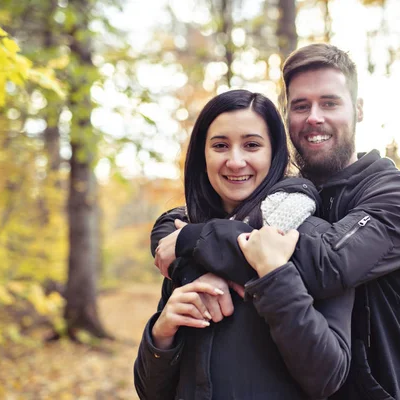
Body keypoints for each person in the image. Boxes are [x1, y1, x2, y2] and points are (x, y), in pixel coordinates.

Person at [153, 44, 400, 399]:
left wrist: (198, 243)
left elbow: (330, 262)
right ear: (287, 116)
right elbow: (178, 222)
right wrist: (189, 258)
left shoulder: (395, 192)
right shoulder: (282, 198)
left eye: (330, 102)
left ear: (358, 110)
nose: (314, 117)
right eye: (301, 105)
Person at [134, 89, 354, 400]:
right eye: (220, 145)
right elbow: (150, 392)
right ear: (203, 155)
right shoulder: (188, 244)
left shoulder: (314, 239)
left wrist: (272, 278)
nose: (235, 161)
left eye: (251, 145)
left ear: (274, 152)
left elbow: (328, 377)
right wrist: (163, 331)